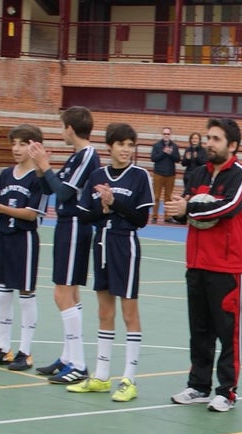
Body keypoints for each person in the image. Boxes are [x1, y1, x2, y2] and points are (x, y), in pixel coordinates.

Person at [166, 117, 242, 413]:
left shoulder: (241, 176)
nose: (209, 143)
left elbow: (228, 207)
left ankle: (227, 391)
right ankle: (199, 385)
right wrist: (179, 211)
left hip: (228, 268)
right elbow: (187, 213)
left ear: (232, 146)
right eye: (208, 137)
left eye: (216, 139)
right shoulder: (196, 174)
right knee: (200, 330)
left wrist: (189, 207)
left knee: (228, 333)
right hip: (197, 263)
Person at [65, 123, 153, 402]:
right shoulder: (96, 175)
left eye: (130, 145)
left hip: (124, 244)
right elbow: (85, 216)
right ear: (110, 146)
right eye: (121, 144)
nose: (126, 150)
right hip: (100, 242)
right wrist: (102, 208)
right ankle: (102, 376)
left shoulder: (140, 176)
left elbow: (140, 221)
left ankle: (129, 378)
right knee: (104, 312)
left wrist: (113, 203)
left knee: (129, 312)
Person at [29, 106, 102, 384]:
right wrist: (40, 167)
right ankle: (69, 356)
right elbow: (50, 188)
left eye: (62, 127)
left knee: (62, 294)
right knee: (68, 293)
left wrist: (45, 166)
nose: (62, 132)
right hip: (65, 226)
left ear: (70, 128)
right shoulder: (75, 158)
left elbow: (63, 191)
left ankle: (80, 364)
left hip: (75, 225)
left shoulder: (87, 156)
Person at [0, 125, 47, 371]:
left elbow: (31, 214)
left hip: (24, 239)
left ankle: (25, 352)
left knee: (25, 294)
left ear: (35, 146)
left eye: (22, 144)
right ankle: (4, 348)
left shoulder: (39, 178)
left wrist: (0, 209)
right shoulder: (6, 174)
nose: (16, 149)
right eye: (14, 143)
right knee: (2, 293)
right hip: (4, 237)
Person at [150, 126, 181, 224]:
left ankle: (167, 216)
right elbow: (153, 158)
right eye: (164, 134)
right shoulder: (157, 145)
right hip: (158, 174)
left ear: (170, 135)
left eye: (168, 134)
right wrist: (163, 152)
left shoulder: (174, 146)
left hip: (170, 174)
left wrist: (171, 153)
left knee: (168, 197)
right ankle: (154, 216)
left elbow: (178, 159)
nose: (166, 135)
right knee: (156, 196)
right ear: (162, 135)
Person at [180, 131, 208, 199]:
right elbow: (183, 163)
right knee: (186, 194)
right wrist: (187, 159)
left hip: (198, 176)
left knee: (195, 195)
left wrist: (197, 158)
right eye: (193, 138)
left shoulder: (203, 150)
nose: (194, 140)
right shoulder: (188, 149)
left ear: (199, 140)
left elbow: (205, 163)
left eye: (196, 138)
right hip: (188, 175)